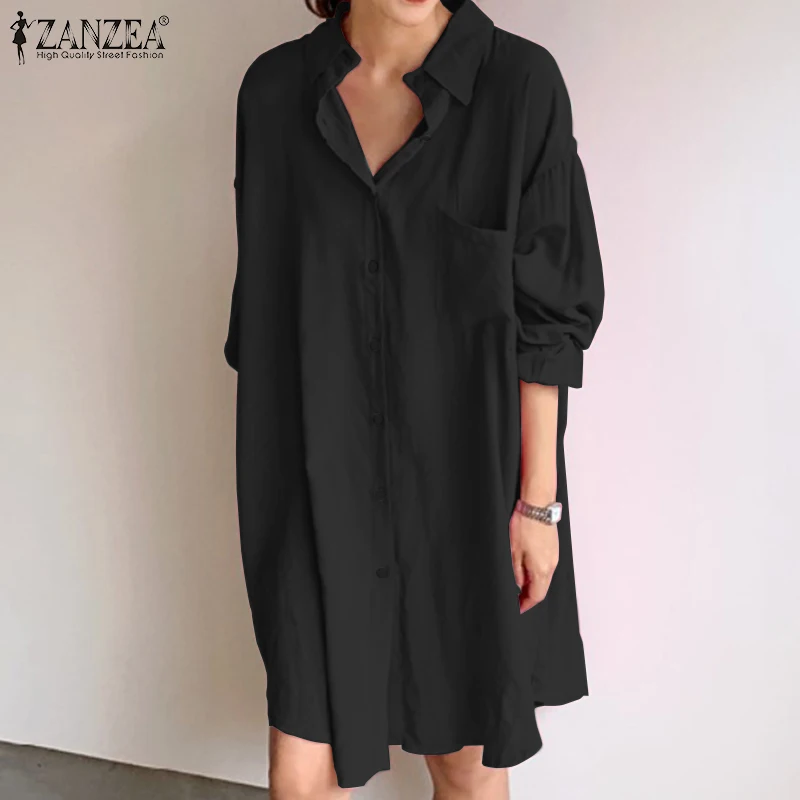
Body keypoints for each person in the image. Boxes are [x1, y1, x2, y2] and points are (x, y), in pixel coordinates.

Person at [223, 0, 605, 796]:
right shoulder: (274, 94)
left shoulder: (520, 86)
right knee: (300, 769)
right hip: (316, 486)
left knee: (464, 765)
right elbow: (263, 319)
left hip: (465, 496)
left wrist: (537, 508)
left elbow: (547, 326)